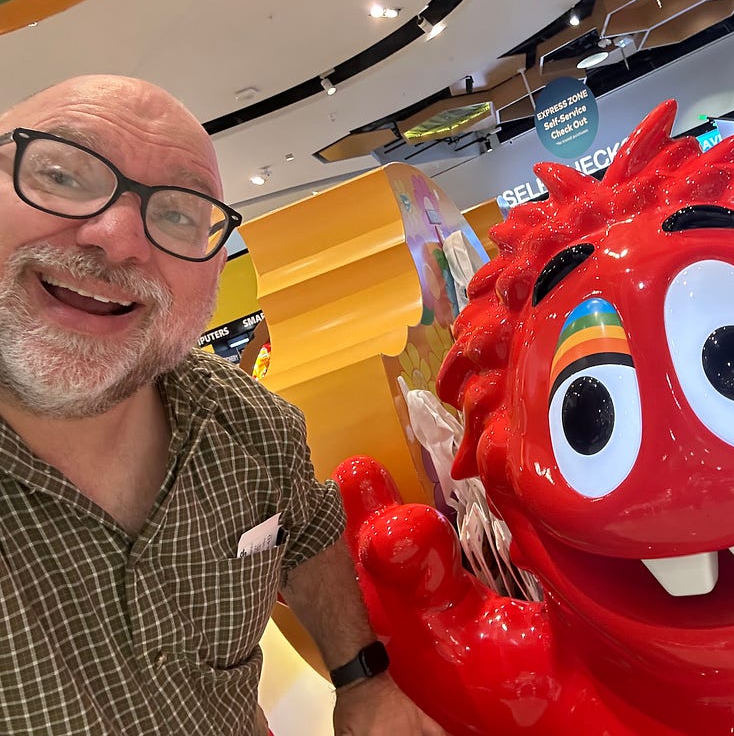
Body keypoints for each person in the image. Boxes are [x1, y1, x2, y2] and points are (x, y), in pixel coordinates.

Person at [0, 75, 444, 736]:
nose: (119, 236)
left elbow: (307, 531)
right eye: (62, 175)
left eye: (178, 214)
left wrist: (363, 678)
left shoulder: (247, 422)